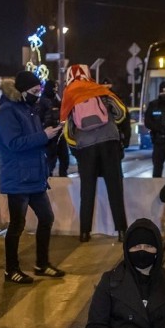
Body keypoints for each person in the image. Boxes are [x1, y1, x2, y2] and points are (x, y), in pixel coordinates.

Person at [0, 71, 64, 284]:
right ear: (22, 91)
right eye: (34, 91)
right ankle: (11, 270)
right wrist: (44, 135)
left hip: (34, 176)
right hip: (18, 177)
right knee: (17, 224)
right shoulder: (8, 111)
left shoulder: (29, 109)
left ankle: (41, 264)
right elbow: (14, 143)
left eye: (39, 90)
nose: (38, 94)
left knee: (46, 217)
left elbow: (34, 141)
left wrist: (52, 137)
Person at [60, 64, 129, 242]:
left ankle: (84, 233)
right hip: (109, 142)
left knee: (87, 190)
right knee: (115, 188)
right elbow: (121, 112)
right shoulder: (98, 89)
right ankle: (122, 231)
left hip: (86, 148)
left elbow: (68, 131)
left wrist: (79, 144)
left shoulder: (70, 94)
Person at [37, 80, 69, 177]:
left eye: (56, 87)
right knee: (51, 160)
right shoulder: (43, 101)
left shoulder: (56, 99)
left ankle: (63, 177)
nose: (55, 90)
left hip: (59, 132)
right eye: (53, 87)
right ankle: (48, 178)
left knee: (64, 157)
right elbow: (40, 117)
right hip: (49, 133)